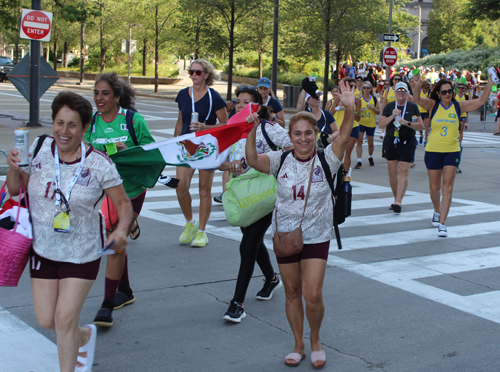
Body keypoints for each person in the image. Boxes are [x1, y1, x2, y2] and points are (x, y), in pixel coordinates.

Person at [6, 91, 132, 372]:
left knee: (63, 320)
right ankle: (83, 335)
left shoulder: (99, 163)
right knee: (46, 320)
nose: (64, 131)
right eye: (59, 123)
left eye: (72, 125)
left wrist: (122, 229)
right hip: (43, 248)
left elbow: (123, 203)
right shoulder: (38, 148)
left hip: (82, 251)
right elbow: (16, 189)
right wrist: (13, 167)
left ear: (85, 128)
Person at [245, 80, 355, 369]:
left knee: (313, 293)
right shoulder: (279, 160)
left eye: (308, 133)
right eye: (297, 134)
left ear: (315, 134)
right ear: (290, 136)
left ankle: (316, 339)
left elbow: (344, 136)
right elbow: (252, 160)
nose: (303, 139)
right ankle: (298, 344)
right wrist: (252, 128)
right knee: (292, 292)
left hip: (317, 234)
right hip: (285, 236)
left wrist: (350, 108)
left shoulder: (327, 159)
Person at [85, 72, 155, 327]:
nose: (99, 98)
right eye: (96, 93)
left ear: (117, 97)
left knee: (115, 239)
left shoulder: (133, 120)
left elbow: (151, 153)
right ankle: (124, 289)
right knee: (117, 239)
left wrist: (130, 151)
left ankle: (106, 306)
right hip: (103, 193)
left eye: (105, 93)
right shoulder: (91, 121)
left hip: (131, 190)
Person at [218, 87, 293, 323]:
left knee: (247, 246)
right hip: (243, 194)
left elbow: (294, 148)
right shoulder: (232, 128)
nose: (240, 106)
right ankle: (271, 278)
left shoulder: (269, 129)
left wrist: (273, 165)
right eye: (238, 102)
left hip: (266, 195)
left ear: (258, 107)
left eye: (246, 102)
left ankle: (237, 303)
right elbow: (220, 161)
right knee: (254, 241)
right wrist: (229, 166)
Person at [413, 74, 494, 237]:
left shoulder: (459, 106)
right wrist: (416, 85)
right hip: (433, 150)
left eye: (450, 91)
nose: (448, 94)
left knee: (448, 186)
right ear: (438, 93)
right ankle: (437, 210)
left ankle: (442, 223)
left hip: (452, 150)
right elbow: (416, 99)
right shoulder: (433, 105)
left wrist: (490, 83)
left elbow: (480, 102)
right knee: (434, 188)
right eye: (444, 92)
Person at [174, 59, 228, 247]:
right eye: (191, 72)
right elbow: (180, 121)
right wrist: (174, 143)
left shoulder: (214, 97)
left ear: (206, 74)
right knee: (180, 187)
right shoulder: (182, 95)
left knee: (204, 190)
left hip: (206, 147)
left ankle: (202, 232)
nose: (194, 75)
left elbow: (224, 124)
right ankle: (190, 222)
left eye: (198, 72)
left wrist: (205, 127)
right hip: (186, 145)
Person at [379, 82, 423, 213]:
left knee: (404, 171)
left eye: (404, 91)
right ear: (395, 92)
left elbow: (420, 126)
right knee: (392, 173)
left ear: (407, 92)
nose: (401, 93)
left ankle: (398, 201)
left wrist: (407, 123)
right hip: (391, 140)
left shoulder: (413, 106)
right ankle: (396, 198)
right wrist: (392, 116)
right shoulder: (389, 106)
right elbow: (381, 124)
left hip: (407, 140)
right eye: (398, 91)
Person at [355, 81, 380, 168]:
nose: (366, 89)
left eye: (368, 88)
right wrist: (359, 111)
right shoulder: (359, 99)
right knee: (359, 141)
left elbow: (378, 112)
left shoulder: (374, 98)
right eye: (364, 88)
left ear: (370, 89)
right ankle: (359, 161)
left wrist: (372, 108)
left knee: (370, 143)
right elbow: (355, 111)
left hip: (370, 123)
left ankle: (370, 157)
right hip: (361, 122)